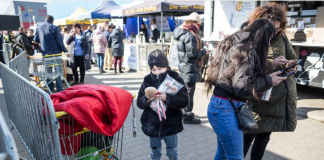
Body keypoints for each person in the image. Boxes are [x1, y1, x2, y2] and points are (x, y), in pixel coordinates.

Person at [204, 19, 287, 160]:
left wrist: (270, 67)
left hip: (221, 105)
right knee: (236, 157)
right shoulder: (245, 50)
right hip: (226, 109)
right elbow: (241, 87)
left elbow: (242, 73)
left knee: (223, 154)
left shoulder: (236, 44)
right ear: (262, 36)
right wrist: (269, 81)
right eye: (269, 39)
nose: (269, 44)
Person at [242, 3, 298, 160]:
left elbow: (293, 57)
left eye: (278, 28)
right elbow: (244, 67)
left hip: (275, 99)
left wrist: (290, 64)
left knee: (264, 138)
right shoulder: (249, 37)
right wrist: (270, 65)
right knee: (247, 137)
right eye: (272, 28)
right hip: (258, 96)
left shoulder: (282, 37)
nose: (274, 32)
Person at [137, 49, 189, 160]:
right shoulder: (147, 80)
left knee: (172, 153)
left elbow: (184, 101)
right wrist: (147, 99)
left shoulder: (175, 78)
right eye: (153, 69)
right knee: (154, 154)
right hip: (152, 126)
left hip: (171, 125)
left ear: (166, 66)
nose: (156, 72)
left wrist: (167, 98)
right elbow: (139, 103)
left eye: (159, 69)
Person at [173, 12, 209, 124]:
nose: (199, 26)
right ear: (194, 23)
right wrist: (204, 52)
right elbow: (192, 54)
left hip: (185, 67)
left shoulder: (183, 33)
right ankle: (187, 116)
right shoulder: (190, 35)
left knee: (185, 92)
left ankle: (184, 113)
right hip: (189, 68)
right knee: (189, 93)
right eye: (199, 23)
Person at [34, 15, 68, 92]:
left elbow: (36, 40)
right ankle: (59, 89)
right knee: (58, 72)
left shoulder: (39, 28)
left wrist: (43, 42)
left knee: (48, 72)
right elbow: (59, 42)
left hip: (46, 53)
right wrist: (65, 51)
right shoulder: (54, 27)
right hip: (56, 53)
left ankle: (50, 87)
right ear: (52, 20)